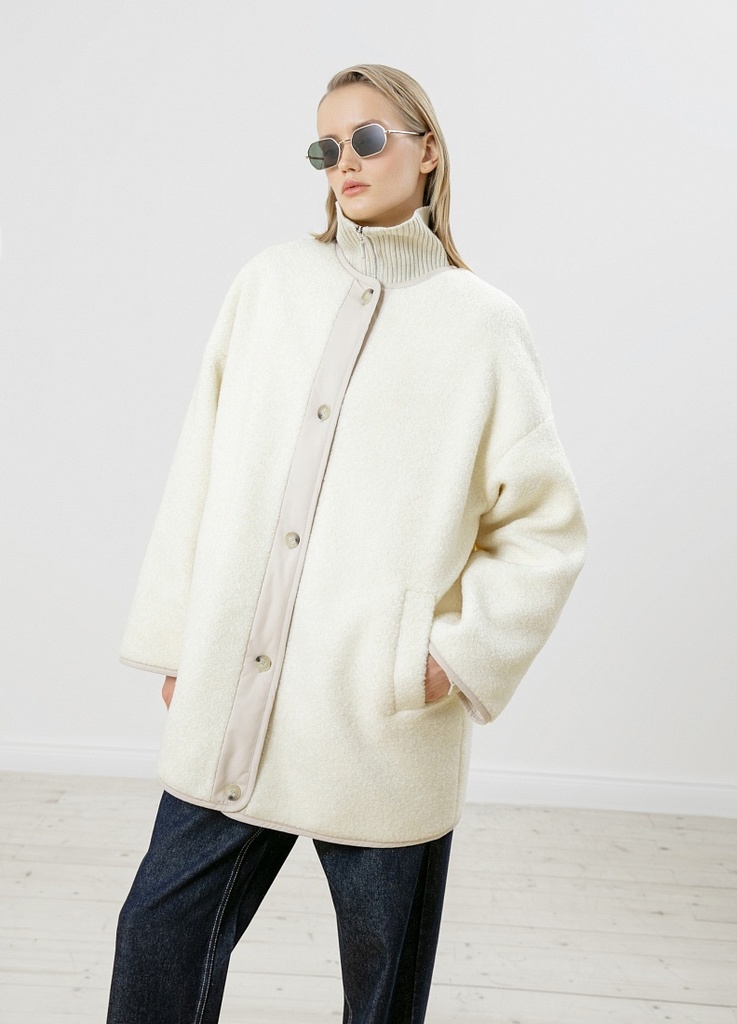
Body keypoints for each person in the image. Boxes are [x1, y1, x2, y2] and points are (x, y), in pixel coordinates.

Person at [107, 63, 587, 1024]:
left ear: (428, 151)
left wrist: (450, 658)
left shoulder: (484, 327)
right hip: (236, 695)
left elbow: (543, 524)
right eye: (326, 148)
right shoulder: (268, 286)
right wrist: (178, 642)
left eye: (367, 139)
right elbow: (200, 466)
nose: (345, 164)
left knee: (380, 990)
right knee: (157, 937)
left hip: (379, 716)